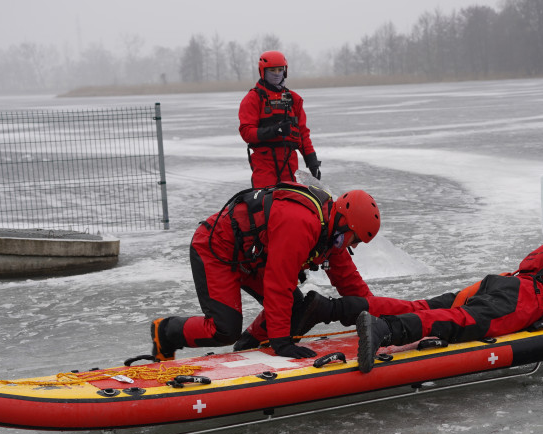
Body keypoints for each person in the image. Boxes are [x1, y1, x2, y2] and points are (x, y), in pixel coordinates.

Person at [349, 214, 543, 372]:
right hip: (524, 301)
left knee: (434, 305)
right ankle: (385, 329)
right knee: (460, 321)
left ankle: (342, 309)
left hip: (505, 283)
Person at [149, 183, 381, 360]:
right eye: (355, 239)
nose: (354, 245)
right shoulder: (301, 224)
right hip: (217, 249)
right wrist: (281, 343)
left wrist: (379, 320)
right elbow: (278, 285)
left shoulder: (331, 232)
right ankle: (165, 332)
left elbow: (351, 283)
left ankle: (248, 346)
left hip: (250, 258)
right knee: (224, 329)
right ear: (345, 223)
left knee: (294, 307)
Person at [239, 51, 321, 188]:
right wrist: (275, 131)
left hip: (289, 162)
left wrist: (312, 160)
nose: (277, 74)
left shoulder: (294, 99)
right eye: (272, 70)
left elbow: (302, 134)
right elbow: (246, 132)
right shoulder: (253, 98)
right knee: (266, 198)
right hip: (264, 163)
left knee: (289, 198)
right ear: (263, 71)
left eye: (280, 69)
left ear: (285, 71)